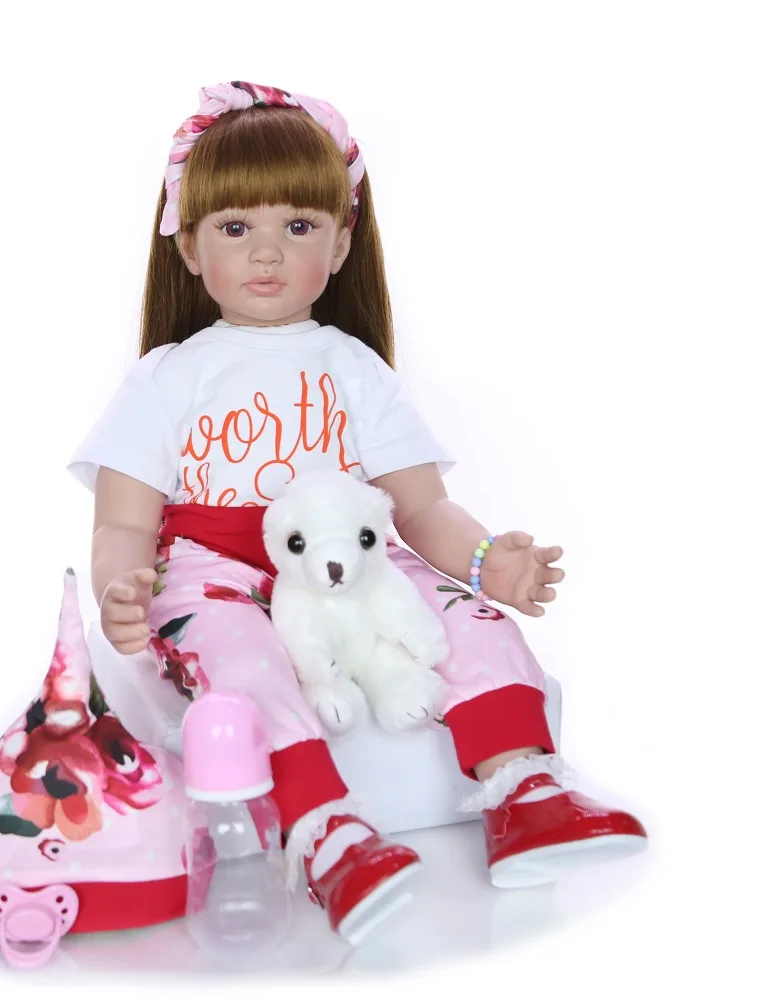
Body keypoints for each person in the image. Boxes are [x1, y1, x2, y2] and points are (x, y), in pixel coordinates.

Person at [67, 81, 647, 945]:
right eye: (236, 228)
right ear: (188, 246)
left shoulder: (357, 369)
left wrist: (488, 562)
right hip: (212, 569)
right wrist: (122, 586)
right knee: (241, 661)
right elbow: (124, 523)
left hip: (355, 559)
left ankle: (526, 790)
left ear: (341, 244)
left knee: (469, 623)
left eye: (299, 226)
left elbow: (423, 508)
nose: (269, 252)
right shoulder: (166, 377)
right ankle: (327, 834)